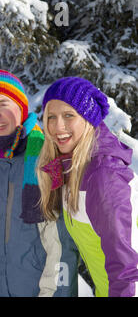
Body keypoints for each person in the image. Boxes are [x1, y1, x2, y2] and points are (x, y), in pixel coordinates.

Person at [0, 69, 79, 297]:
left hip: (36, 289)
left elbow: (62, 244)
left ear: (21, 108)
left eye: (3, 104)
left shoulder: (47, 158)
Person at [37, 76, 138, 297]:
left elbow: (126, 266)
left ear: (88, 119)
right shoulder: (69, 166)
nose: (58, 126)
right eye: (51, 117)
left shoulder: (103, 176)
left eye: (69, 116)